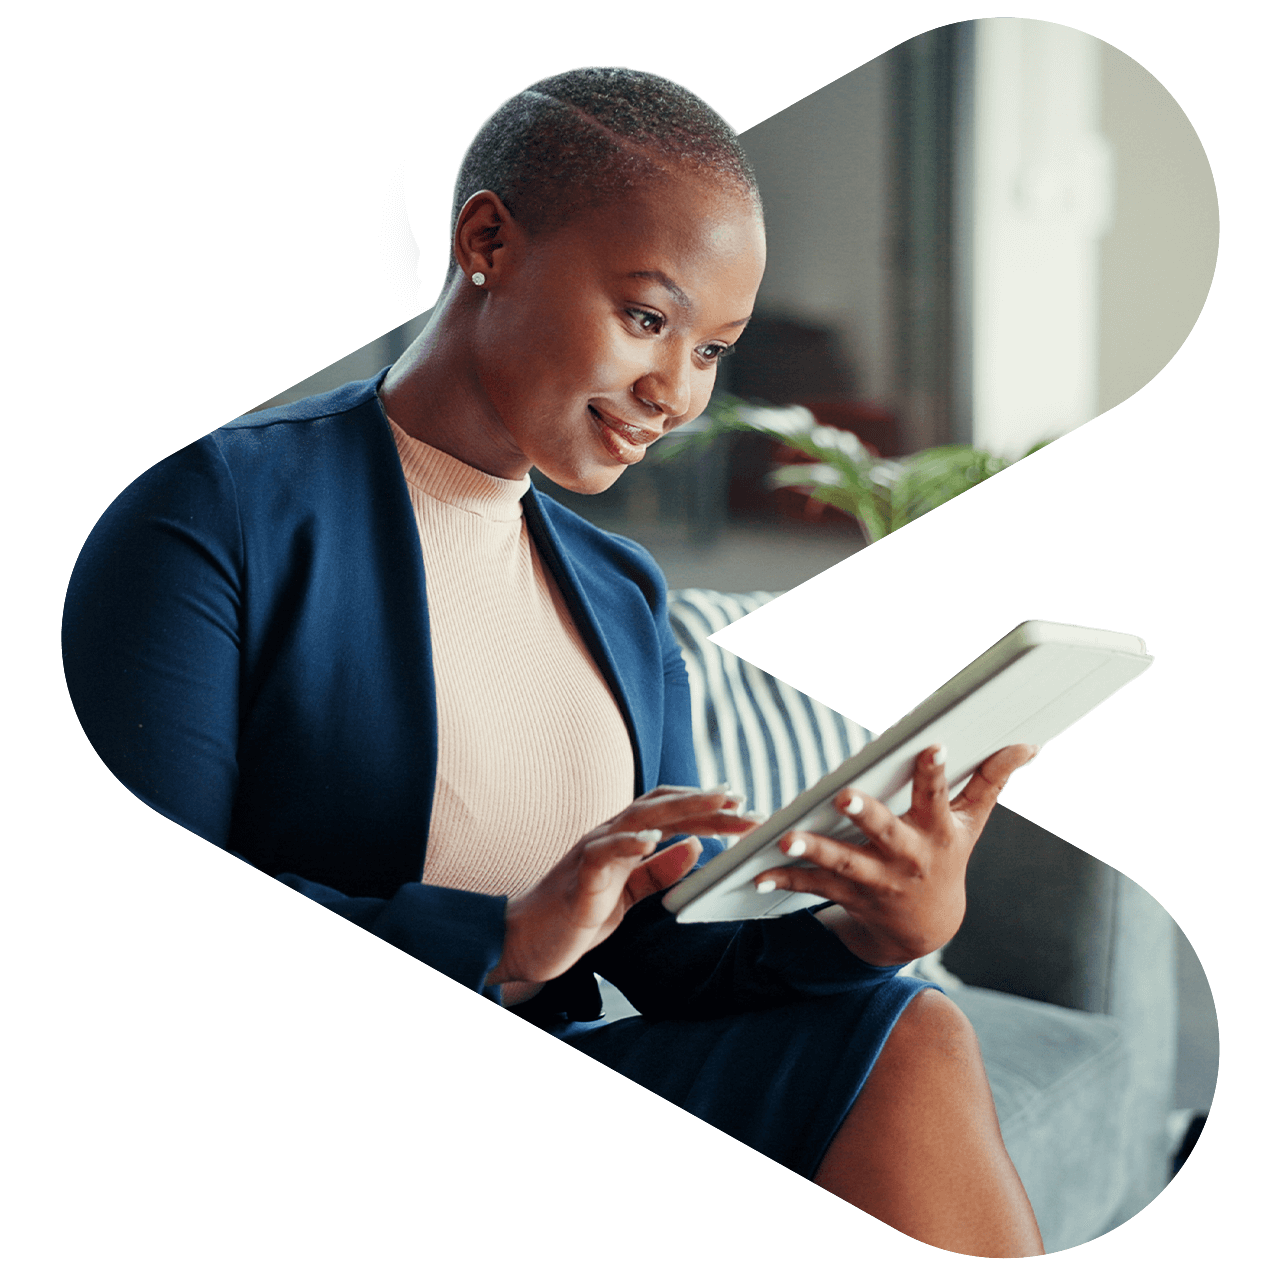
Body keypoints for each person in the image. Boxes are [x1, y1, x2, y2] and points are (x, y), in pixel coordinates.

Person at [63, 67, 1043, 1256]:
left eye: (712, 349)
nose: (674, 391)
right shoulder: (211, 508)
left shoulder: (619, 592)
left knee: (907, 1024)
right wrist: (507, 941)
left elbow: (668, 947)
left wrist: (875, 927)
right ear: (486, 240)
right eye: (646, 317)